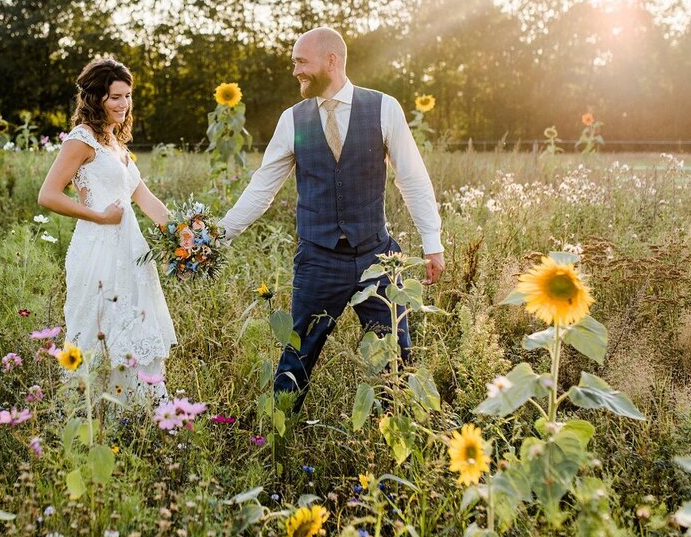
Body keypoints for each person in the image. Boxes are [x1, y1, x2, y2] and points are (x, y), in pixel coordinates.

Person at [220, 27, 445, 413]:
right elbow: (263, 187)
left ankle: (393, 434)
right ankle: (279, 440)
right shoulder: (292, 120)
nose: (295, 71)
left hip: (376, 256)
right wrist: (218, 236)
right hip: (318, 260)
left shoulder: (383, 108)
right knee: (297, 355)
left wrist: (432, 242)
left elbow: (412, 177)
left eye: (300, 62)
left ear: (331, 60)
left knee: (396, 356)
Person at [38, 58, 176, 403]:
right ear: (95, 97)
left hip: (131, 251)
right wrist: (98, 216)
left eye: (127, 96)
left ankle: (139, 410)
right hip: (99, 247)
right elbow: (48, 194)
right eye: (115, 97)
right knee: (102, 327)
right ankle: (94, 411)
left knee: (135, 323)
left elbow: (145, 199)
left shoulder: (116, 145)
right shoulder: (81, 140)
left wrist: (184, 234)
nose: (123, 104)